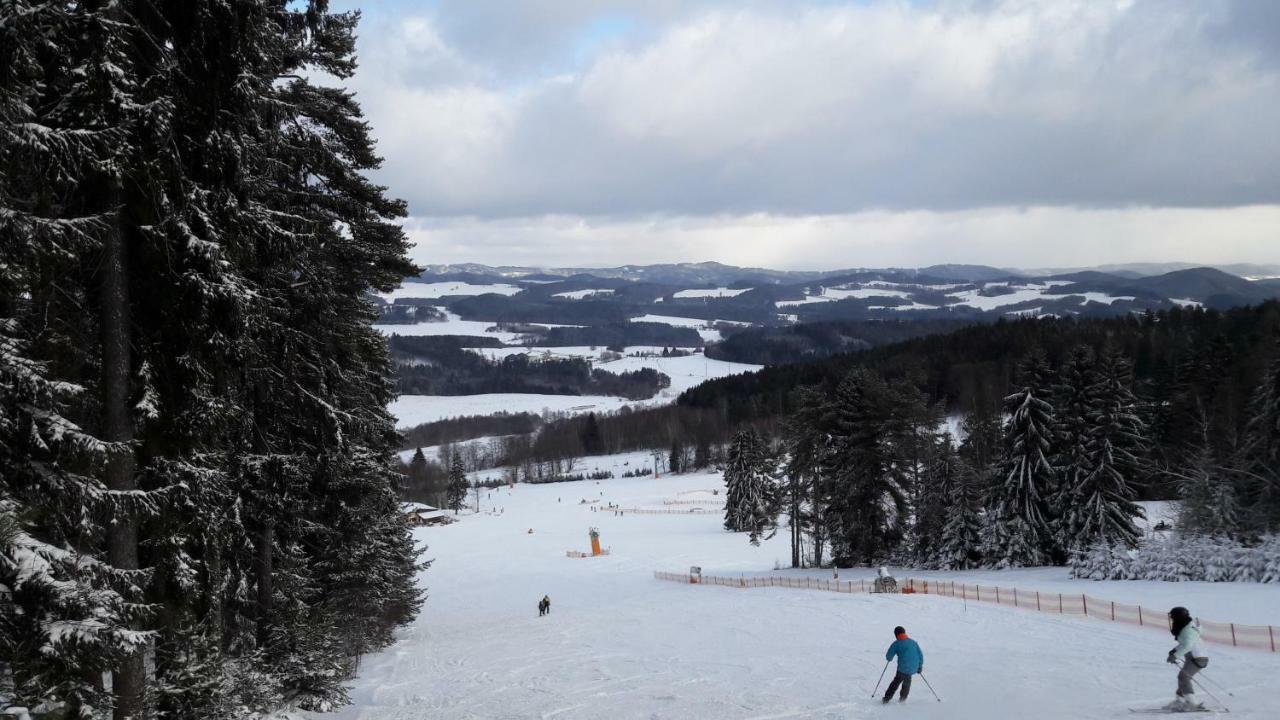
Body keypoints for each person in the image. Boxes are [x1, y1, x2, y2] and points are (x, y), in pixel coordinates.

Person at [1166, 606, 1208, 711]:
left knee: (1183, 677)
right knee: (1183, 677)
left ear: (1179, 617)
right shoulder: (1186, 627)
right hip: (1194, 657)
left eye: (1173, 617)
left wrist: (1175, 655)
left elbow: (1187, 645)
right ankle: (1179, 701)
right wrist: (1174, 650)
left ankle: (1192, 703)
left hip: (1197, 658)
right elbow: (1185, 644)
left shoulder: (1188, 630)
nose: (1172, 620)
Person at [882, 626, 923, 704]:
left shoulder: (896, 643)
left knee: (896, 682)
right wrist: (920, 666)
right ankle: (903, 699)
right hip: (913, 667)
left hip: (902, 668)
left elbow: (889, 656)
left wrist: (889, 658)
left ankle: (887, 698)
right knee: (907, 682)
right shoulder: (913, 642)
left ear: (896, 634)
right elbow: (920, 655)